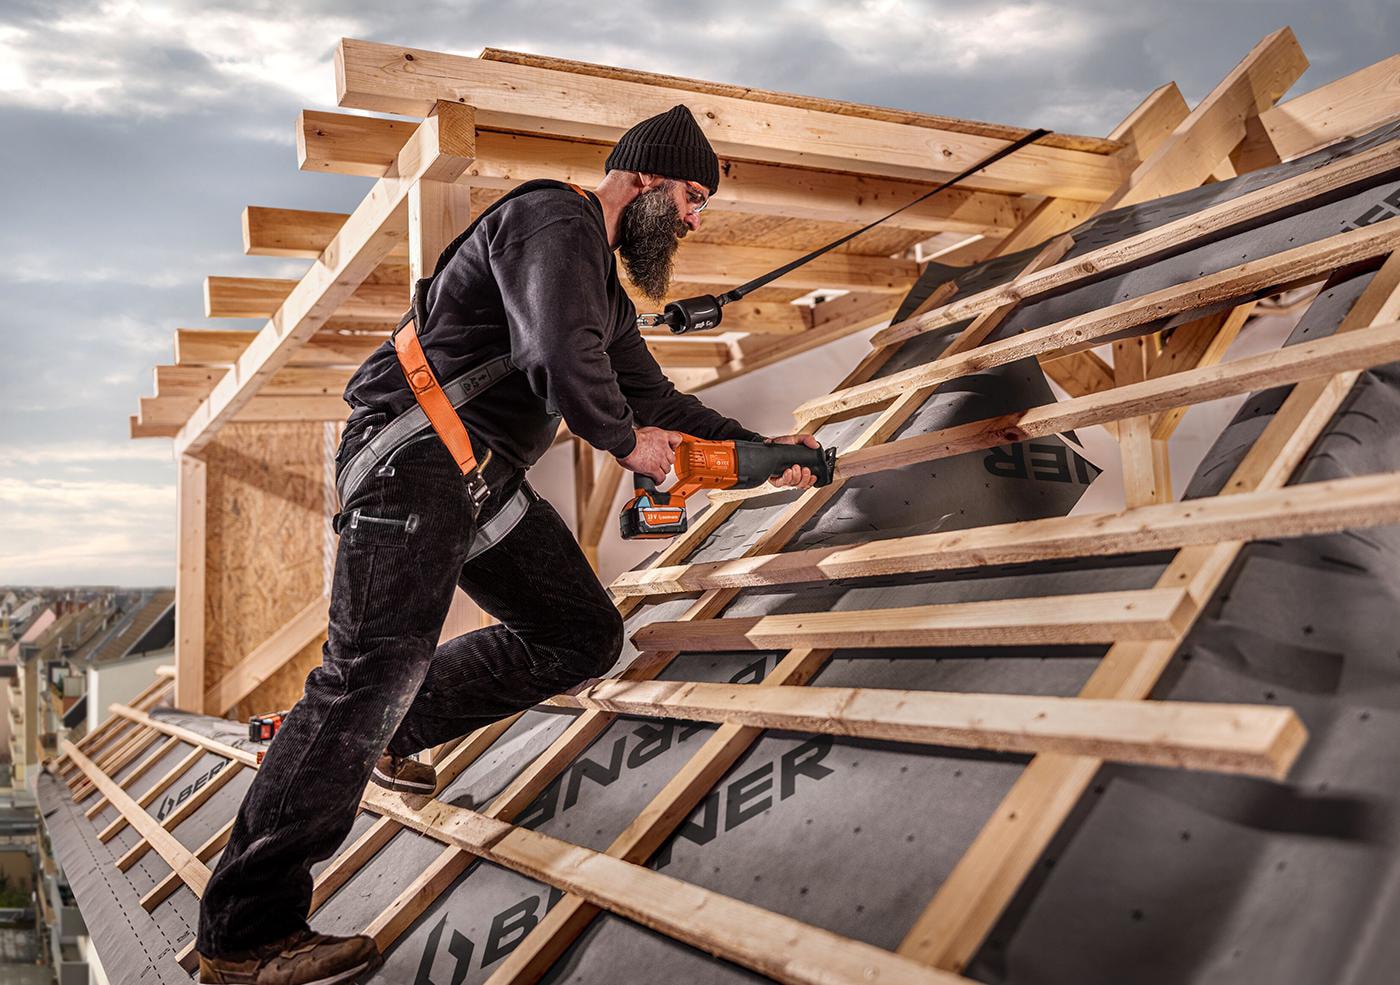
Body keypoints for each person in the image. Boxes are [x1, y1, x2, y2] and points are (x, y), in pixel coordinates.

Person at [194, 104, 820, 984]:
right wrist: (624, 441)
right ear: (641, 180)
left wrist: (766, 456)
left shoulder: (598, 285)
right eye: (690, 197)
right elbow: (560, 356)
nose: (694, 218)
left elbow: (656, 402)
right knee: (363, 672)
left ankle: (391, 730)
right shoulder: (550, 219)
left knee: (580, 633)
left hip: (479, 479)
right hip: (411, 452)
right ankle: (243, 935)